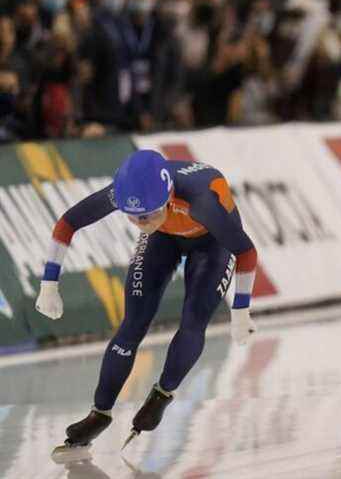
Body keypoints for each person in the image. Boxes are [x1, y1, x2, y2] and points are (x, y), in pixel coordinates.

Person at [38, 149, 258, 462]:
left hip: (212, 244)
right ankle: (99, 413)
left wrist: (240, 309)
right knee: (132, 324)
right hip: (165, 238)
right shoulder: (124, 194)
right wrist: (49, 284)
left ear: (168, 197)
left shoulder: (203, 204)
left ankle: (163, 394)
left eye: (148, 215)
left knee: (193, 320)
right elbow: (67, 223)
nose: (141, 223)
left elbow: (247, 252)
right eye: (133, 216)